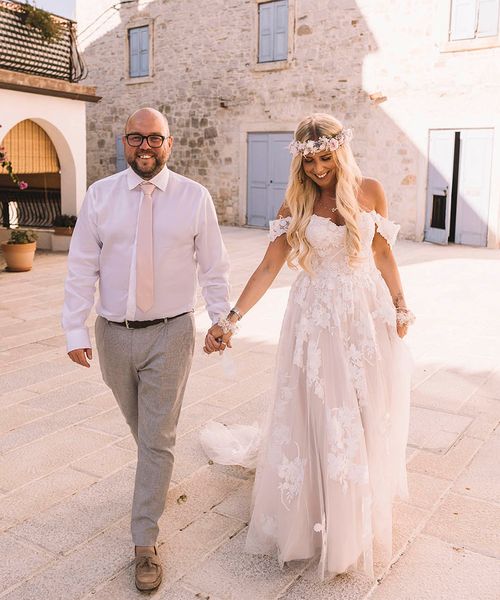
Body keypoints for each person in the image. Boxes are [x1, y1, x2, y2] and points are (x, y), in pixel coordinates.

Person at [202, 113, 415, 580]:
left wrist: (400, 305)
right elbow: (268, 267)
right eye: (310, 161)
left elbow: (382, 253)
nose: (319, 169)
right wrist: (230, 319)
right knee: (320, 410)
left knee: (362, 410)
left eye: (326, 158)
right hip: (315, 319)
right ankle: (317, 519)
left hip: (363, 314)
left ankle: (354, 514)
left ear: (340, 151)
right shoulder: (295, 202)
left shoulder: (371, 191)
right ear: (299, 161)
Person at [62, 108, 230, 592]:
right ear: (124, 143)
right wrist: (75, 331)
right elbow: (80, 269)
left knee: (157, 438)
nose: (145, 147)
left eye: (154, 139)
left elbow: (214, 267)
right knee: (145, 432)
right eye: (136, 138)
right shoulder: (100, 196)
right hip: (112, 334)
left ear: (169, 144)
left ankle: (144, 543)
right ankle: (154, 483)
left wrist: (219, 319)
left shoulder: (194, 198)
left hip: (172, 332)